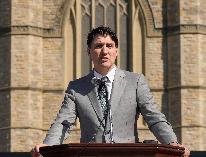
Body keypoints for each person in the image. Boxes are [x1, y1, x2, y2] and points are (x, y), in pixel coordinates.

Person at [31, 26, 190, 157]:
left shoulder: (135, 81)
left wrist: (173, 144)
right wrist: (47, 146)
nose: (104, 51)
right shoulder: (76, 87)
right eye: (98, 46)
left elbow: (154, 117)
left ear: (116, 51)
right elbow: (63, 122)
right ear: (89, 51)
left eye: (109, 45)